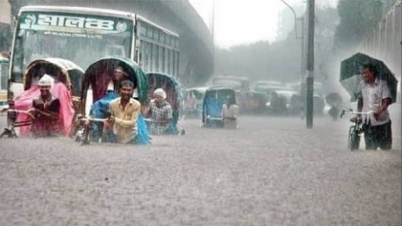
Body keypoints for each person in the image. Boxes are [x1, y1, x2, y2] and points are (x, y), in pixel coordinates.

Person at [357, 63, 392, 150]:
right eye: (362, 73)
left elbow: (386, 101)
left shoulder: (382, 84)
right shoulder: (362, 85)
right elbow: (360, 100)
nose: (363, 75)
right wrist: (358, 115)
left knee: (386, 150)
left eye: (365, 72)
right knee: (370, 150)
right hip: (368, 122)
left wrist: (379, 111)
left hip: (382, 123)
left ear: (372, 73)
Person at [104, 80, 141, 144]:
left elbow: (132, 123)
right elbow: (111, 120)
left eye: (129, 90)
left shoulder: (136, 104)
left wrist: (115, 119)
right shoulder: (112, 104)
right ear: (119, 90)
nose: (126, 92)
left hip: (132, 137)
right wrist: (107, 123)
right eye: (124, 89)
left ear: (132, 91)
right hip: (116, 136)